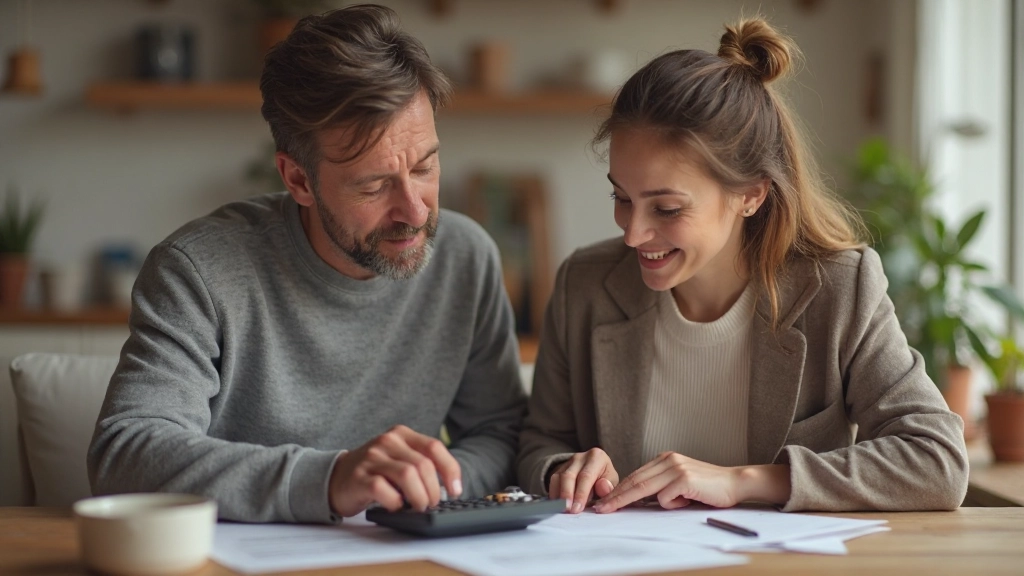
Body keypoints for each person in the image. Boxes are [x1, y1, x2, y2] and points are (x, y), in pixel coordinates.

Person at [88, 5, 526, 524]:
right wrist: (330, 480)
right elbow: (125, 451)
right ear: (297, 180)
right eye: (374, 185)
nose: (415, 211)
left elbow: (500, 434)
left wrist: (425, 486)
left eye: (425, 166)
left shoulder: (465, 258)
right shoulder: (198, 271)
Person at [517, 17, 969, 514]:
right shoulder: (585, 284)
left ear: (751, 194)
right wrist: (565, 469)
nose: (633, 233)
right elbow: (539, 443)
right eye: (621, 197)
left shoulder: (839, 287)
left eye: (666, 209)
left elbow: (938, 462)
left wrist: (747, 482)